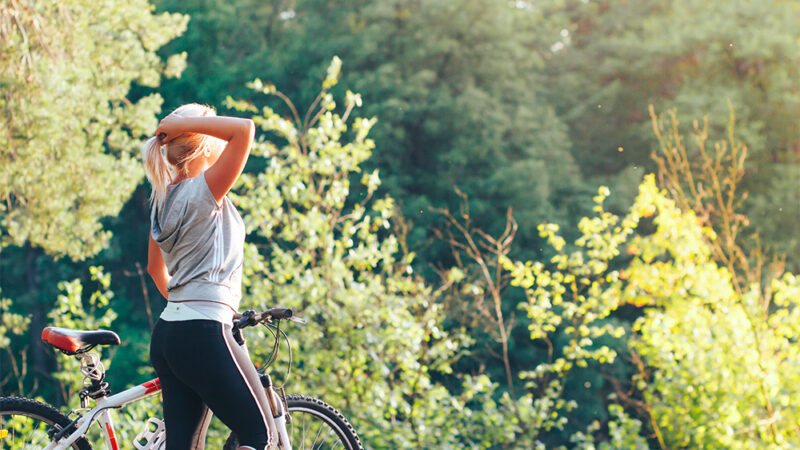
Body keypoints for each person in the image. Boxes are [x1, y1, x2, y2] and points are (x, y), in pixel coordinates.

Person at [142, 103, 270, 450]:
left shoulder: (161, 199)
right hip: (203, 330)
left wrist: (189, 310)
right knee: (260, 436)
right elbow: (244, 129)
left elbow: (156, 270)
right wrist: (186, 122)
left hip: (169, 334)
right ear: (205, 145)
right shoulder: (205, 190)